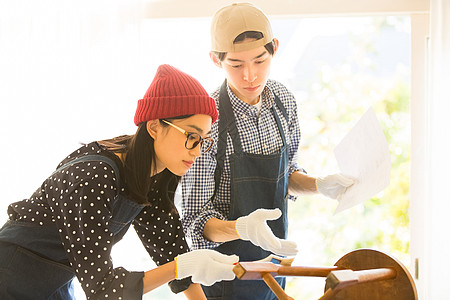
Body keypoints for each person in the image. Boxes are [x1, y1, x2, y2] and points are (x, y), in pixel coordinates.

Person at [0, 64, 239, 300]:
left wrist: (183, 268)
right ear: (155, 127)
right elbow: (104, 290)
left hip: (53, 284)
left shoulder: (154, 174)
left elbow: (171, 251)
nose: (197, 152)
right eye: (191, 136)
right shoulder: (94, 176)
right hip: (9, 278)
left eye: (204, 141)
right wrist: (180, 267)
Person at [181, 3, 355, 299]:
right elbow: (196, 222)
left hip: (276, 265)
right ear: (215, 60)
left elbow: (286, 174)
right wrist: (243, 228)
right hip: (227, 273)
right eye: (236, 65)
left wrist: (320, 185)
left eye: (260, 60)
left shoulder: (283, 102)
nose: (250, 75)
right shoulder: (207, 121)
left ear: (274, 48)